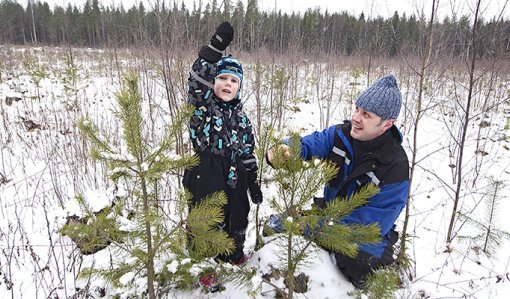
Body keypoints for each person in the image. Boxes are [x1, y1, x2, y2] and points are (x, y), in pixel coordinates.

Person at [267, 74, 409, 288]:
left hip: (365, 234)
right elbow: (307, 145)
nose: (356, 118)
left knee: (356, 264)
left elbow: (371, 224)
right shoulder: (340, 136)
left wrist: (312, 228)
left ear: (387, 124)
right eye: (357, 109)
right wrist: (283, 150)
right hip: (328, 214)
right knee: (273, 229)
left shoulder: (395, 165)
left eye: (366, 115)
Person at [183, 21, 263, 268]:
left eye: (234, 80)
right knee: (205, 220)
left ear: (239, 87)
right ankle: (203, 265)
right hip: (206, 172)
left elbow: (248, 150)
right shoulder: (203, 109)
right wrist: (213, 50)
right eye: (223, 78)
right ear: (213, 81)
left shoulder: (242, 117)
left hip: (236, 175)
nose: (228, 84)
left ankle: (233, 256)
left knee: (237, 217)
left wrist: (251, 179)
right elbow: (197, 82)